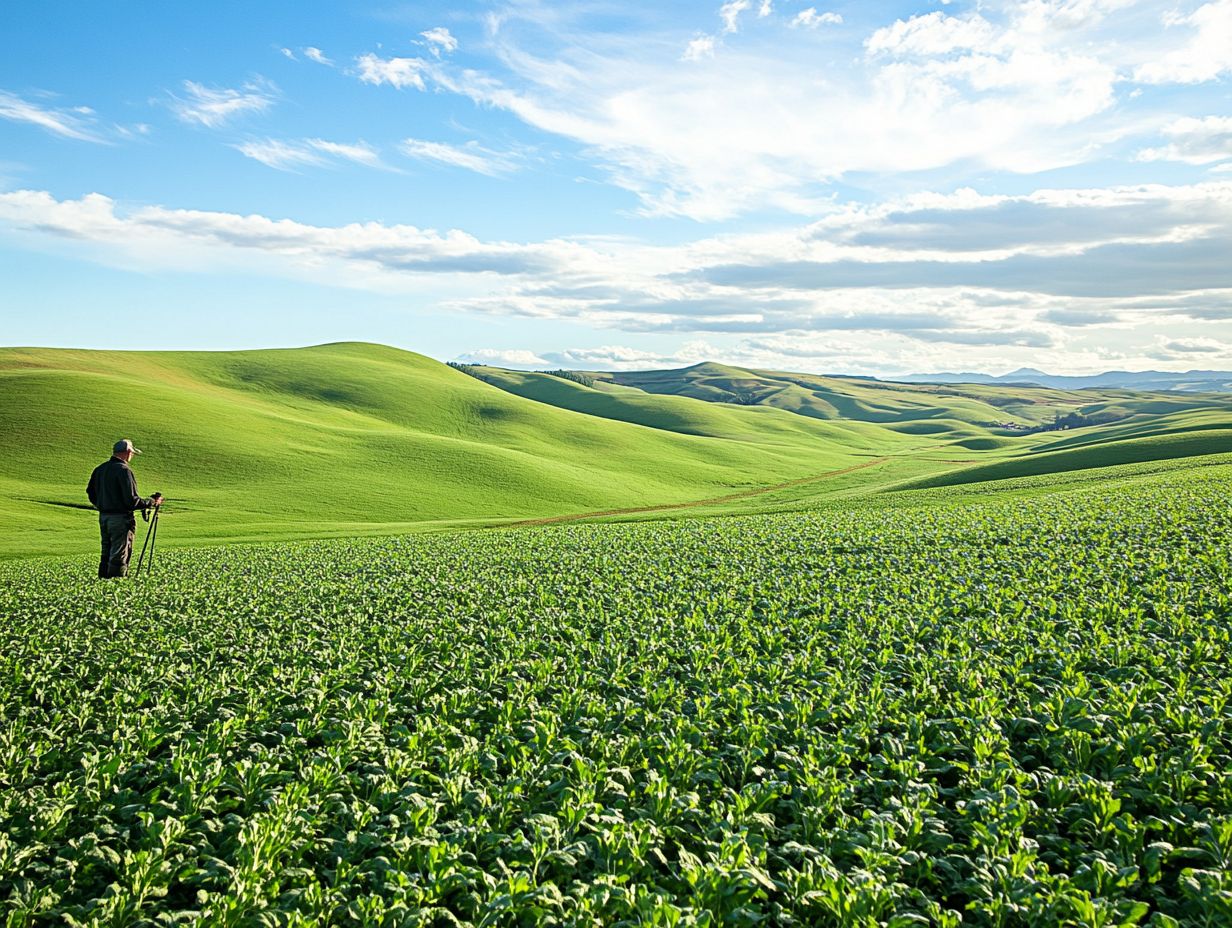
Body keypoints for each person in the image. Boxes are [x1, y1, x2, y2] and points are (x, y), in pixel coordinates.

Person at [87, 439, 162, 578]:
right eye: (132, 453)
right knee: (119, 553)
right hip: (120, 519)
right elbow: (131, 501)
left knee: (106, 552)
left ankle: (101, 584)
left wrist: (102, 504)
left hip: (104, 517)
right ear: (128, 453)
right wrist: (151, 502)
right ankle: (116, 586)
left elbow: (90, 493)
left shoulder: (100, 469)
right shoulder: (124, 471)